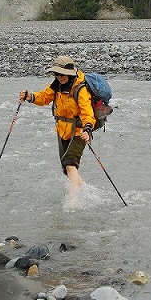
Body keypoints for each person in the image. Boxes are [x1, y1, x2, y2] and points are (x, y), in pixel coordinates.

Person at [19, 56, 94, 198]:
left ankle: (73, 201)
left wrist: (87, 129)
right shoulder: (56, 86)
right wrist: (29, 96)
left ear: (70, 74)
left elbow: (87, 113)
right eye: (56, 74)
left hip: (79, 132)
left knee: (70, 163)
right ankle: (86, 191)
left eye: (62, 74)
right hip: (62, 131)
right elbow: (43, 97)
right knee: (67, 169)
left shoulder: (81, 89)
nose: (59, 77)